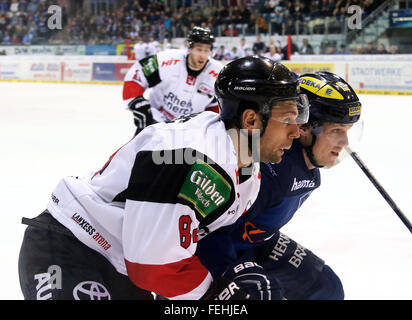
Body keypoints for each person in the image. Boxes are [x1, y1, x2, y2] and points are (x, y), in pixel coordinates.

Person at [18, 56, 310, 300]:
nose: (296, 132)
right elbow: (152, 268)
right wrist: (219, 292)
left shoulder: (246, 168)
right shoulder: (189, 156)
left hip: (124, 266)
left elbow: (197, 240)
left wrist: (232, 273)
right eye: (288, 119)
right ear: (250, 120)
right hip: (72, 247)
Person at [196, 71, 362, 300]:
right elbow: (207, 231)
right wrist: (225, 274)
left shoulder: (303, 166)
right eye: (336, 131)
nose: (344, 143)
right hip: (215, 249)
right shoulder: (271, 169)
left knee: (326, 288)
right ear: (303, 126)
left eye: (347, 131)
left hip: (253, 241)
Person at [123, 26, 223, 136]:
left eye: (206, 50)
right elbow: (138, 74)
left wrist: (210, 124)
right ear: (189, 48)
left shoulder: (217, 73)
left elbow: (215, 105)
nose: (203, 55)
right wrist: (137, 103)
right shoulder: (167, 59)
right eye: (199, 49)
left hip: (188, 132)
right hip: (154, 123)